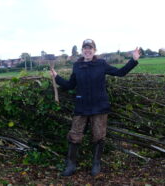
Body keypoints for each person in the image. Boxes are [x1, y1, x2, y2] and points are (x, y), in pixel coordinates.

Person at [50, 39, 140, 176]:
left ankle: (96, 164)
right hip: (81, 106)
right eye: (85, 48)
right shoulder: (77, 66)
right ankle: (71, 165)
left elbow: (120, 72)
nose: (87, 50)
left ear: (94, 50)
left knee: (98, 136)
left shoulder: (101, 64)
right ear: (82, 50)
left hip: (99, 106)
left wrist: (133, 60)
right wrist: (57, 77)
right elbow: (70, 85)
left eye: (90, 48)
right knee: (74, 135)